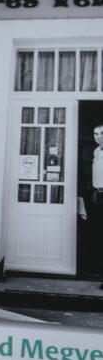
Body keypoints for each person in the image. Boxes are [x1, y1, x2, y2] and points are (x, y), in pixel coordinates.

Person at [78, 123, 103, 289]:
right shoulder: (96, 151)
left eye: (102, 133)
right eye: (95, 133)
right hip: (98, 194)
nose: (98, 136)